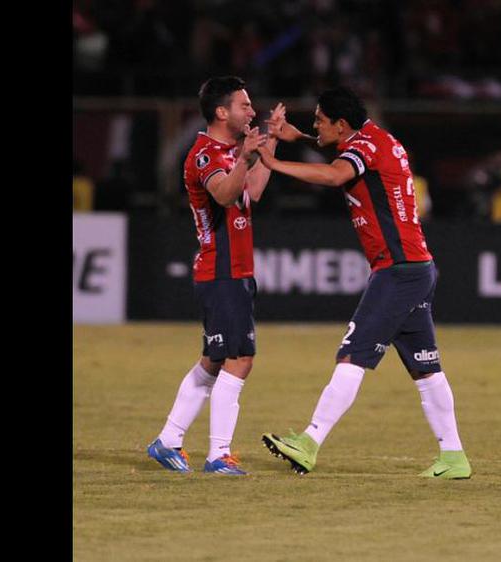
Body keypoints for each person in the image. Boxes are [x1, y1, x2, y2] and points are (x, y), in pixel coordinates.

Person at [255, 87, 471, 479]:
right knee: (426, 369)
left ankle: (308, 442)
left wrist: (273, 162)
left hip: (398, 270)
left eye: (319, 120)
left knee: (352, 355)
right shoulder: (376, 140)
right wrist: (301, 139)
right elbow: (348, 157)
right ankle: (454, 457)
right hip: (417, 267)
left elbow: (338, 173)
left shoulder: (362, 149)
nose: (314, 124)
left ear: (341, 124)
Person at [146, 76, 282, 475]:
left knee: (214, 360)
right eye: (245, 105)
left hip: (235, 270)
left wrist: (269, 141)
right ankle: (218, 454)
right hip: (220, 270)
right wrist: (245, 156)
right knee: (240, 359)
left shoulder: (228, 151)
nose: (252, 111)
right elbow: (223, 194)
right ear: (222, 112)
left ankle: (168, 440)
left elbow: (251, 191)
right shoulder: (205, 154)